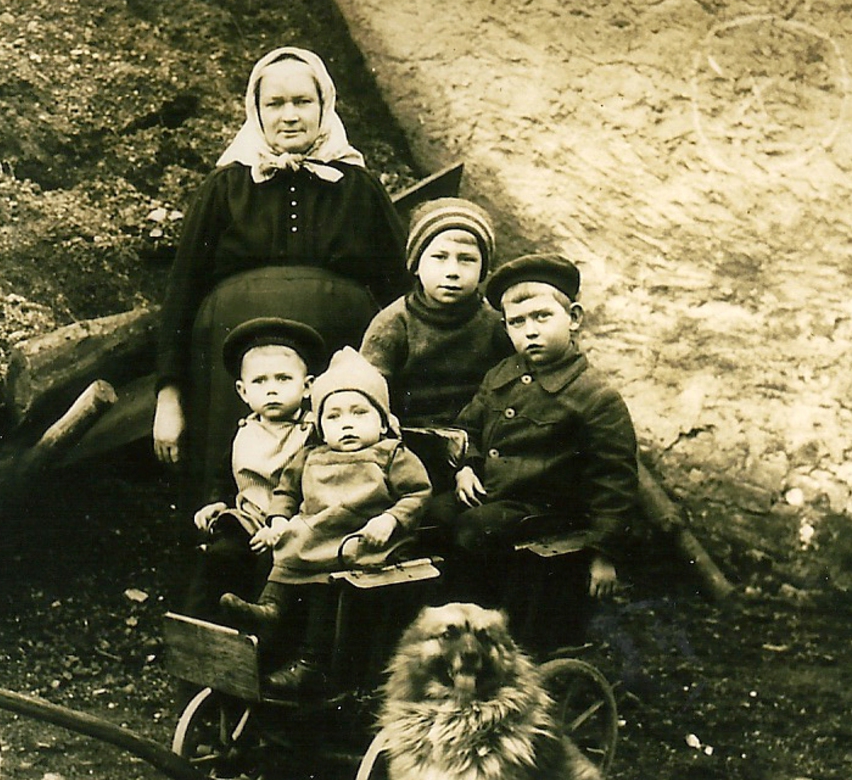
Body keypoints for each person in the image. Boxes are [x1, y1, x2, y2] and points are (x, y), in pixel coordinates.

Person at [152, 47, 405, 502]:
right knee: (237, 491)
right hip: (231, 376)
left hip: (336, 364)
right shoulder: (225, 187)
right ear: (256, 110)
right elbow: (182, 293)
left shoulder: (359, 188)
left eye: (302, 102)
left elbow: (400, 294)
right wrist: (169, 397)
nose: (289, 116)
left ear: (324, 106)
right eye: (275, 103)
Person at [449, 254, 642, 634]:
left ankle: (485, 622)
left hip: (548, 508)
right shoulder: (500, 374)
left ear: (574, 318)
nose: (530, 331)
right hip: (496, 497)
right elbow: (467, 426)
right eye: (517, 322)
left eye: (542, 317)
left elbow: (614, 480)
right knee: (433, 514)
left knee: (475, 528)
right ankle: (440, 620)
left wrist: (604, 554)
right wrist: (467, 467)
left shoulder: (595, 396)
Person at [222, 349, 431, 696]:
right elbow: (286, 491)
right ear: (320, 426)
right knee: (288, 545)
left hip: (363, 534)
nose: (346, 424)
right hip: (316, 529)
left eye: (359, 413)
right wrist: (278, 521)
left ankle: (312, 663)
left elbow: (417, 493)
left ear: (382, 422)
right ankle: (271, 607)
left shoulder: (392, 453)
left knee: (326, 578)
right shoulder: (311, 454)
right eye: (333, 416)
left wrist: (391, 519)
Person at [360, 194, 511, 519]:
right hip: (409, 440)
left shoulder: (495, 325)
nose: (452, 271)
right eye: (439, 257)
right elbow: (368, 391)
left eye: (467, 259)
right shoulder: (394, 322)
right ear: (416, 264)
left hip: (475, 441)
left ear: (484, 269)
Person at [187, 317, 319, 617]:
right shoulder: (245, 432)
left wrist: (282, 525)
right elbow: (227, 476)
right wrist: (216, 502)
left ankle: (260, 626)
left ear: (307, 387)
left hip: (296, 521)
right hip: (248, 521)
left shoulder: (313, 431)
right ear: (243, 391)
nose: (271, 390)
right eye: (260, 381)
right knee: (219, 556)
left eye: (283, 379)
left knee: (274, 566)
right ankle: (201, 625)